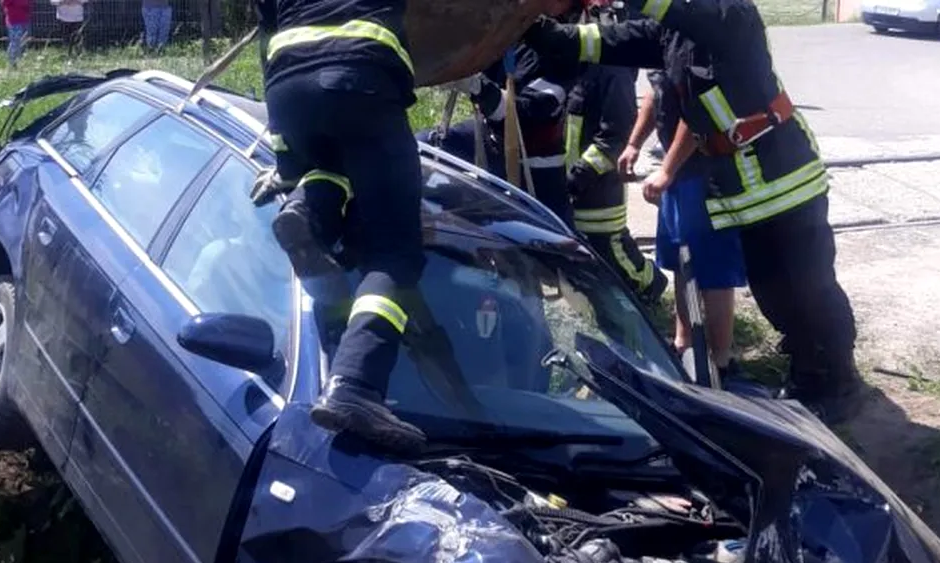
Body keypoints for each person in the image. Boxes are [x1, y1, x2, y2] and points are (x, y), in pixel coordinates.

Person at [523, 0, 864, 422]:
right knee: (774, 290)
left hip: (786, 180)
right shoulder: (673, 33)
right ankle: (807, 366)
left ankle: (838, 380)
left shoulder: (730, 16)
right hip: (742, 194)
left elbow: (679, 14)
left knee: (809, 288)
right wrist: (530, 28)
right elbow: (607, 42)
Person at [249, 0, 429, 454]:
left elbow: (265, 28)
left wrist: (285, 161)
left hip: (287, 85)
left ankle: (310, 213)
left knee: (330, 162)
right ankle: (357, 384)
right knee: (395, 252)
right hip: (359, 77)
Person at [623, 68, 747, 386]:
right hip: (679, 172)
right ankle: (684, 344)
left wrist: (666, 170)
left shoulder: (696, 41)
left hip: (709, 173)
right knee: (682, 260)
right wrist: (634, 143)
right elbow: (656, 93)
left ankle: (721, 361)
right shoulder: (663, 38)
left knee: (714, 271)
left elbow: (699, 114)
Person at [419, 0, 583, 229]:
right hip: (492, 139)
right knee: (420, 149)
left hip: (536, 164)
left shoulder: (568, 49)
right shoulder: (511, 34)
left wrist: (478, 88)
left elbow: (528, 114)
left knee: (549, 236)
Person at [565, 5, 666, 307]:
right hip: (576, 183)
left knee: (612, 249)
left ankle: (650, 286)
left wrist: (581, 172)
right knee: (590, 253)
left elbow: (617, 135)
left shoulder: (613, 68)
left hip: (598, 186)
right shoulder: (577, 64)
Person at [2, 0, 30, 70]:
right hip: (13, 21)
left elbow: (27, 4)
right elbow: (4, 3)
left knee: (21, 43)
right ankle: (12, 63)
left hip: (23, 20)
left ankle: (18, 62)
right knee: (15, 42)